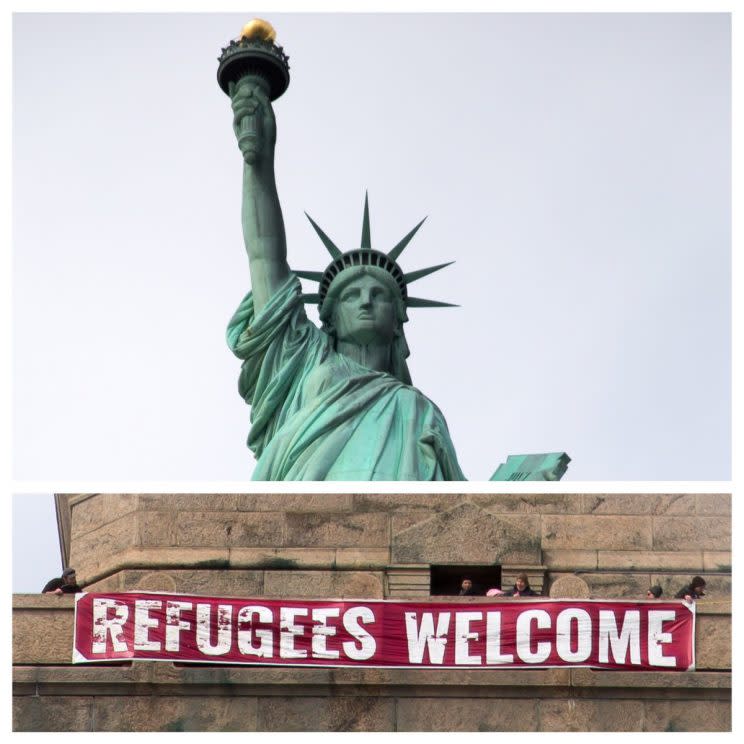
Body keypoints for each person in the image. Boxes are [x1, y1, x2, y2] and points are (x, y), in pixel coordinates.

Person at [225, 74, 465, 481]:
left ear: (399, 319)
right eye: (352, 295)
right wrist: (260, 163)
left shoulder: (418, 411)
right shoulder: (302, 359)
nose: (367, 300)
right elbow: (264, 254)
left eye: (379, 294)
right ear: (330, 317)